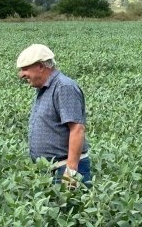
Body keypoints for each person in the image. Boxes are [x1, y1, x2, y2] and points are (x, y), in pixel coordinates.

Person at [16, 44, 91, 188]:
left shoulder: (64, 87)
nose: (21, 74)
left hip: (66, 169)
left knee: (71, 209)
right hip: (51, 170)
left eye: (25, 69)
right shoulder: (45, 89)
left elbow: (77, 129)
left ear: (40, 66)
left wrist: (71, 174)